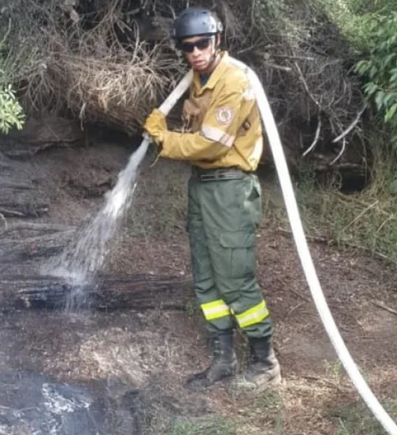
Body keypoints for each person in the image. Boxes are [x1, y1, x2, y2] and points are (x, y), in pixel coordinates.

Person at [143, 7, 281, 395]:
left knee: (234, 278)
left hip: (230, 190)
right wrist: (168, 131)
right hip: (202, 185)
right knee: (205, 277)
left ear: (217, 40)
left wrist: (163, 139)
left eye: (202, 44)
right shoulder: (198, 80)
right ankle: (223, 359)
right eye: (187, 47)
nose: (195, 53)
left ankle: (265, 364)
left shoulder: (234, 80)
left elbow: (211, 143)